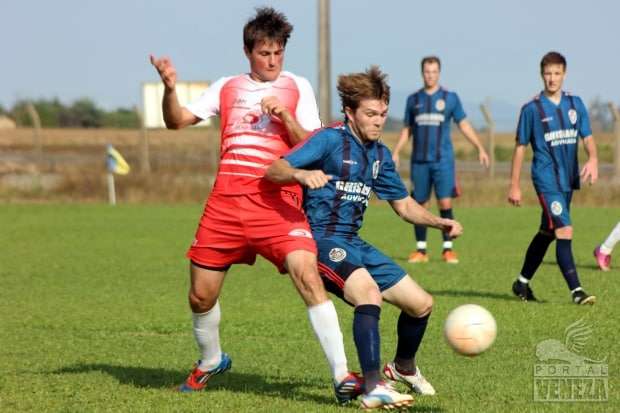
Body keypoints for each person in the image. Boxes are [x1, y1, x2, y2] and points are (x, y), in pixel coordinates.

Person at [150, 8, 361, 401]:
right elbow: (176, 120)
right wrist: (169, 89)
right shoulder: (226, 86)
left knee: (307, 275)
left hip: (277, 202)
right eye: (265, 53)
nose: (273, 61)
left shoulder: (297, 86)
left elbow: (312, 146)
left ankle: (342, 376)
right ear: (248, 51)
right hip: (226, 204)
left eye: (279, 52)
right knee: (200, 296)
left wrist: (283, 115)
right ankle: (211, 360)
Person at [267, 66, 463, 409]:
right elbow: (276, 169)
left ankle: (402, 368)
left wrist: (439, 223)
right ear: (350, 113)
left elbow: (403, 206)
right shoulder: (329, 139)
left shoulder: (380, 155)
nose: (378, 121)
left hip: (354, 242)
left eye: (383, 114)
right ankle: (373, 387)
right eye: (371, 114)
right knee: (368, 296)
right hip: (322, 241)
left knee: (421, 304)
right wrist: (300, 173)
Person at [508, 51, 598, 305]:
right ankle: (577, 291)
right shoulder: (531, 109)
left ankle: (522, 283)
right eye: (548, 73)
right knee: (564, 229)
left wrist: (593, 159)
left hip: (567, 180)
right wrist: (514, 185)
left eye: (557, 73)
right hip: (545, 180)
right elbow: (519, 149)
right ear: (541, 75)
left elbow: (588, 138)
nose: (552, 78)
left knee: (547, 231)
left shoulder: (575, 104)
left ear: (564, 74)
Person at [392, 56, 488, 264]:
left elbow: (463, 124)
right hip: (419, 161)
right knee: (420, 204)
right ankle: (421, 250)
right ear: (422, 73)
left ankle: (448, 249)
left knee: (445, 201)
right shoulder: (413, 100)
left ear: (439, 73)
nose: (430, 75)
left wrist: (479, 147)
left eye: (434, 72)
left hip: (443, 161)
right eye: (427, 72)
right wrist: (397, 151)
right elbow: (407, 129)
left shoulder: (450, 98)